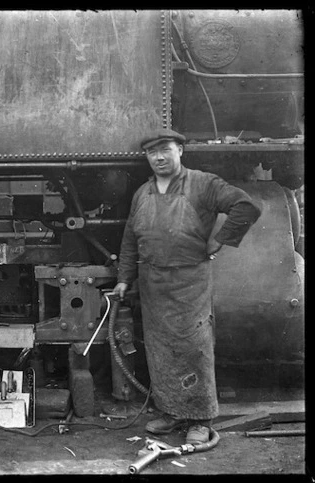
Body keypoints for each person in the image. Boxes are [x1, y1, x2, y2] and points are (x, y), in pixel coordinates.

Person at [112, 128, 261, 445]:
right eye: (152, 152)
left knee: (195, 348)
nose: (159, 157)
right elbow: (129, 240)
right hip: (153, 283)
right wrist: (125, 278)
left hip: (189, 282)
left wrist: (220, 241)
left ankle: (202, 419)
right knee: (160, 349)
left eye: (165, 149)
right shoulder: (142, 193)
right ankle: (171, 412)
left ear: (180, 150)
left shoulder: (204, 184)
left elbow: (246, 206)